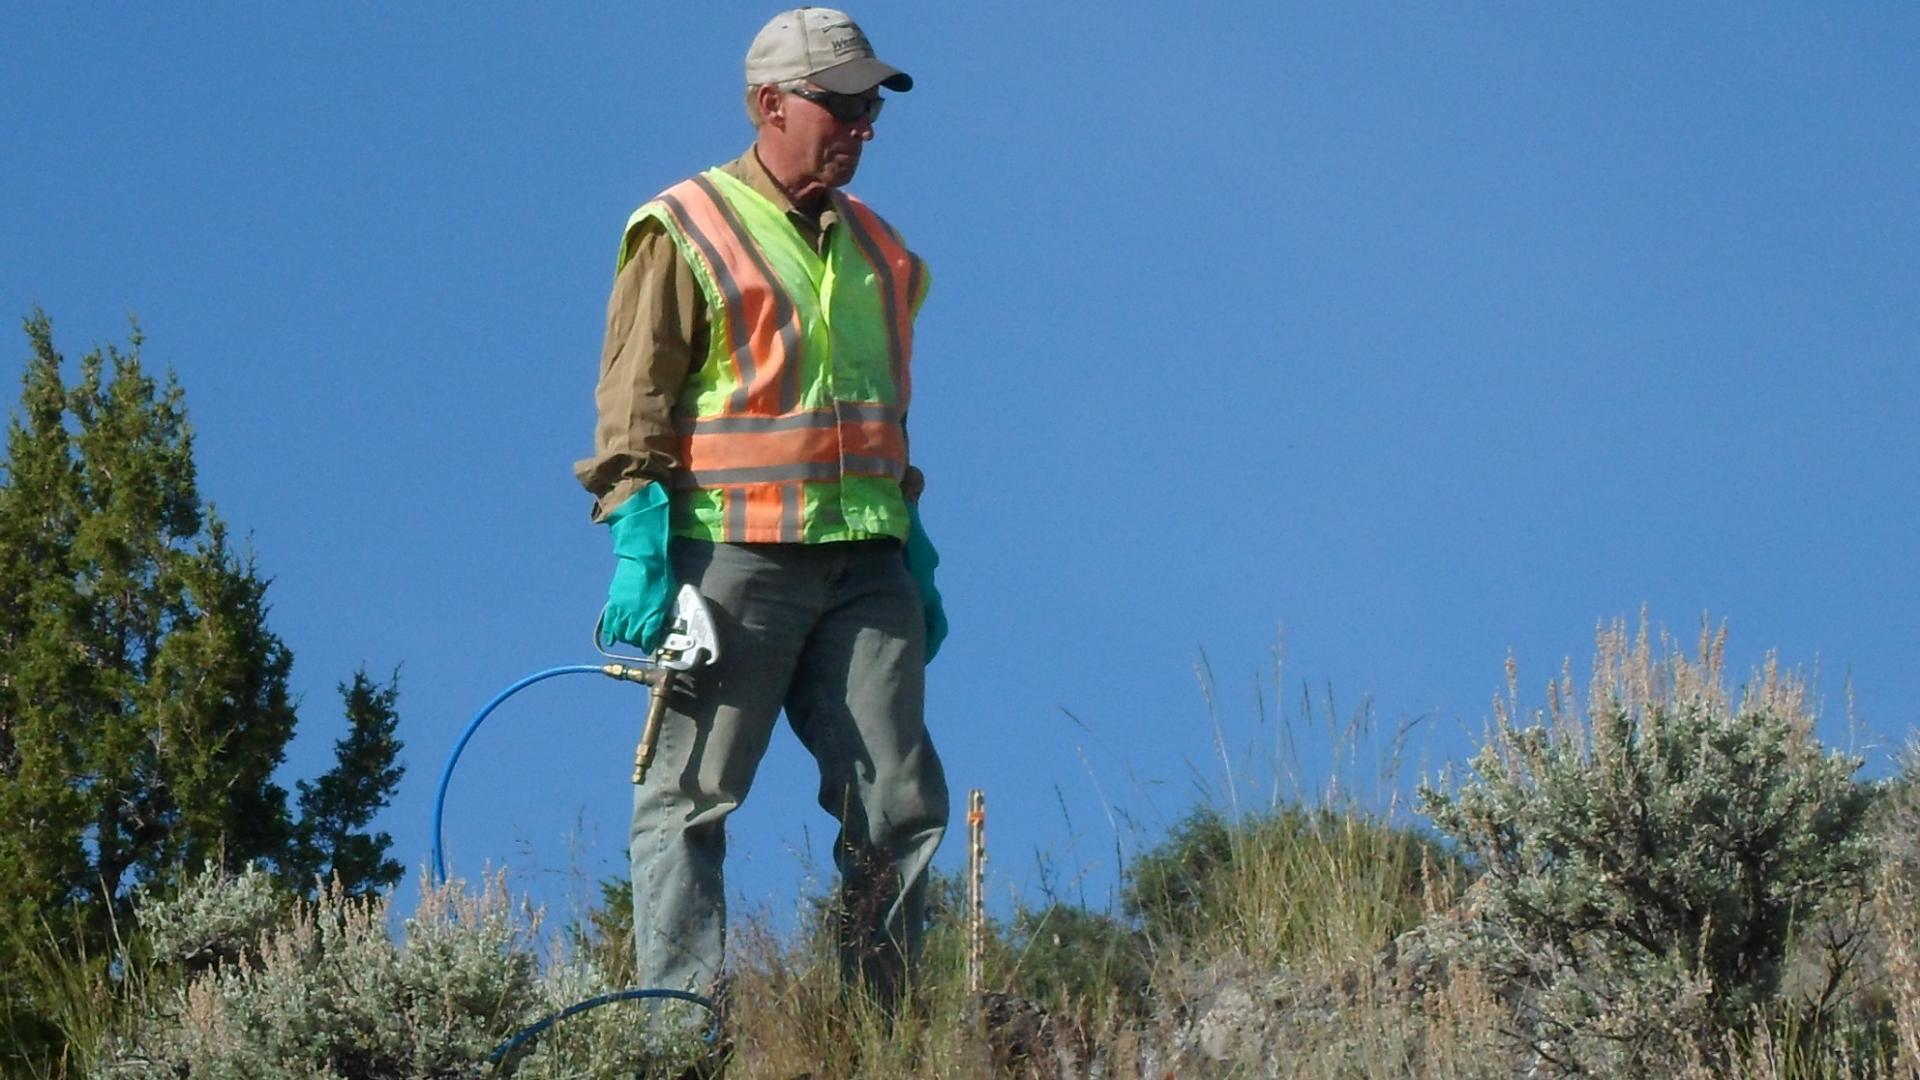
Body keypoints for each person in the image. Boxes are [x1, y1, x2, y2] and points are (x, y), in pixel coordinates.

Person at [573, 6, 950, 1017]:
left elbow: (884, 413)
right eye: (841, 104)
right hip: (729, 560)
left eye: (870, 106)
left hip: (866, 564)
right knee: (688, 802)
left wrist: (912, 538)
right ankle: (676, 1032)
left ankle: (889, 1030)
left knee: (898, 804)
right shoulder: (684, 227)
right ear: (769, 104)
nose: (861, 125)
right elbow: (638, 398)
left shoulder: (885, 251)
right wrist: (640, 534)